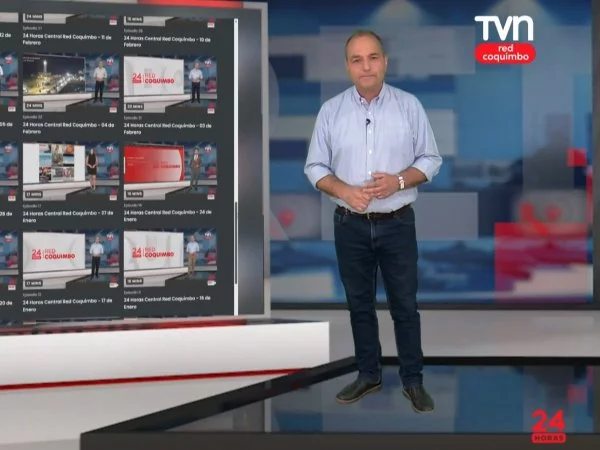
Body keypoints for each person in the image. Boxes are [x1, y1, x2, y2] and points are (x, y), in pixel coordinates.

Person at [304, 30, 442, 413]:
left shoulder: (409, 106)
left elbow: (431, 159)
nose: (366, 66)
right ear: (348, 66)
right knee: (359, 305)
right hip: (349, 225)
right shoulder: (331, 111)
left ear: (385, 61)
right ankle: (368, 375)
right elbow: (315, 166)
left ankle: (413, 380)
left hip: (398, 223)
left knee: (405, 306)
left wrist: (399, 181)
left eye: (373, 57)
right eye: (357, 59)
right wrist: (343, 190)